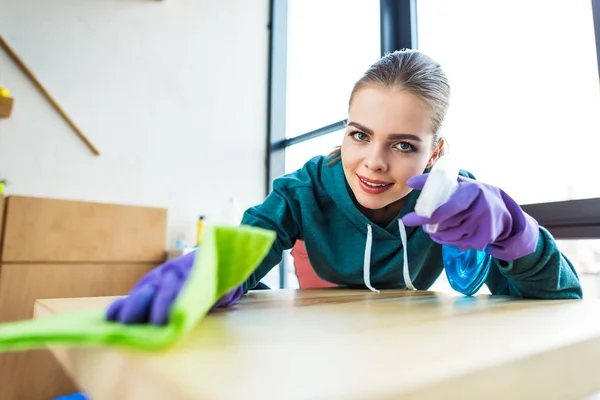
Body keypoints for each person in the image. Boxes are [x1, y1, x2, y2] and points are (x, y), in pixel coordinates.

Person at [106, 49, 582, 326]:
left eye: (402, 144)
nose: (373, 162)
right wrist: (209, 272)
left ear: (434, 154)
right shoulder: (302, 191)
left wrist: (515, 232)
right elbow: (245, 255)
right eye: (360, 135)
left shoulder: (458, 205)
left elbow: (557, 297)